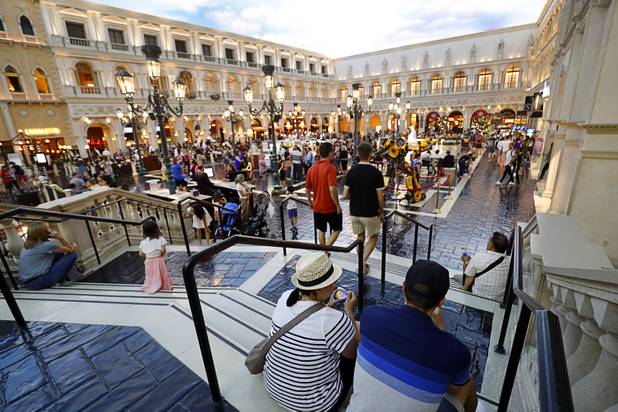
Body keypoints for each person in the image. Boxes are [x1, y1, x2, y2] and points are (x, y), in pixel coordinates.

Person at [348, 260, 478, 412]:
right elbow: (453, 390)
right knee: (468, 383)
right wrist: (441, 330)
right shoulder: (457, 351)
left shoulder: (371, 315)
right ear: (441, 301)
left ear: (403, 287)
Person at [263, 253, 360, 412]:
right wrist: (349, 312)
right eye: (332, 280)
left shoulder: (285, 298)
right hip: (316, 404)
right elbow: (352, 354)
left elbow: (311, 322)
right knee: (351, 348)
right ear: (321, 288)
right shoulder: (334, 321)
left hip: (273, 387)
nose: (335, 284)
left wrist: (327, 307)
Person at [343, 143, 385, 274]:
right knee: (373, 237)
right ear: (370, 154)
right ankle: (362, 263)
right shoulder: (376, 173)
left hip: (355, 210)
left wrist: (356, 195)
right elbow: (380, 196)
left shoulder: (351, 171)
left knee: (359, 238)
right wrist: (382, 212)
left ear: (358, 154)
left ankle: (363, 263)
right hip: (371, 212)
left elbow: (344, 195)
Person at [18, 222, 78, 290]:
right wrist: (60, 238)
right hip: (40, 282)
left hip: (28, 283)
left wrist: (68, 248)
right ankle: (62, 280)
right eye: (48, 228)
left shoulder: (27, 244)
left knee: (60, 253)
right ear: (44, 232)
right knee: (72, 255)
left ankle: (63, 280)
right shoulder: (47, 245)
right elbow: (71, 249)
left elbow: (65, 249)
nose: (51, 229)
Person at [454, 231, 510, 301]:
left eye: (489, 241)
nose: (488, 242)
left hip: (478, 296)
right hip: (499, 299)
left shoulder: (479, 257)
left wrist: (466, 261)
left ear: (491, 246)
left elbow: (468, 277)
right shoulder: (509, 261)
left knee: (455, 277)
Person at [305, 142, 342, 246]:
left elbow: (307, 189)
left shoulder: (312, 168)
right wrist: (337, 206)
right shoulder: (331, 168)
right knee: (337, 228)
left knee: (321, 231)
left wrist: (310, 202)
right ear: (330, 152)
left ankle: (324, 252)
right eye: (332, 152)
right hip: (330, 207)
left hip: (317, 206)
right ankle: (326, 251)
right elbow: (332, 189)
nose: (333, 154)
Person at [138, 219, 173, 294]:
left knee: (150, 274)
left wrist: (147, 256)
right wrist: (160, 255)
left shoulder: (143, 242)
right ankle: (164, 285)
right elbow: (163, 250)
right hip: (158, 259)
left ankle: (151, 285)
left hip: (148, 260)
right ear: (156, 229)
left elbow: (141, 253)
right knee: (162, 273)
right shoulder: (161, 239)